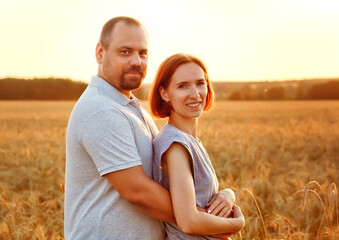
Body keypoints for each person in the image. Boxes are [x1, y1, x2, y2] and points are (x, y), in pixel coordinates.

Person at [65, 16, 237, 240]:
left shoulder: (130, 107)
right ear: (100, 52)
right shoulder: (102, 109)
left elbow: (172, 184)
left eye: (143, 53)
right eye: (125, 51)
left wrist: (226, 195)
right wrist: (208, 221)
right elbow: (138, 192)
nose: (136, 61)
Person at [149, 53, 245, 239]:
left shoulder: (188, 140)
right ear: (164, 93)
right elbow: (189, 221)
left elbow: (200, 199)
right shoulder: (176, 145)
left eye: (200, 83)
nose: (195, 94)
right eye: (183, 86)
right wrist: (237, 223)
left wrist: (227, 194)